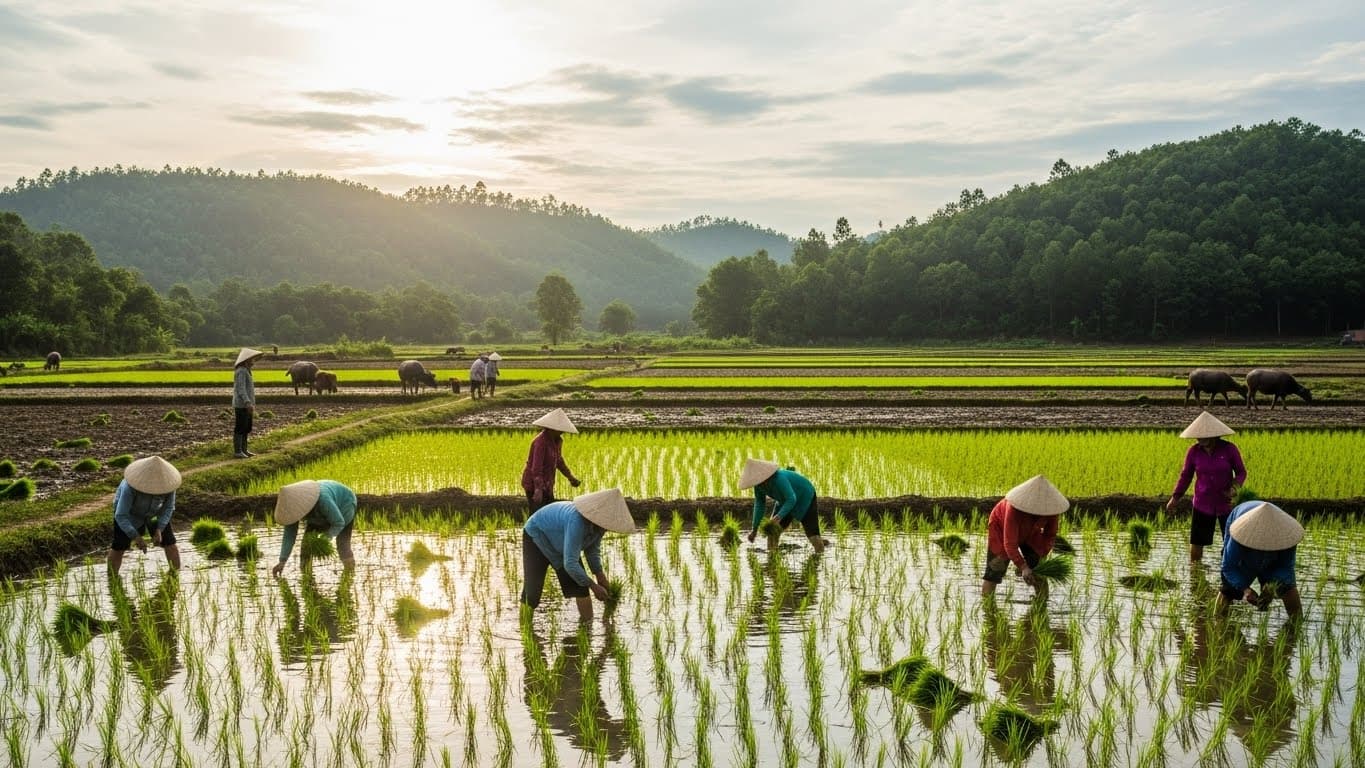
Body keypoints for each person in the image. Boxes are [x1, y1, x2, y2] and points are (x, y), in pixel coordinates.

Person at [521, 488, 634, 620]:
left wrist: (599, 575)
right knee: (532, 591)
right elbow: (570, 563)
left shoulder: (599, 526)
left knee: (580, 588)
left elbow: (592, 550)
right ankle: (525, 632)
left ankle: (587, 629)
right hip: (536, 536)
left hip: (560, 544)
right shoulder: (577, 520)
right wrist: (593, 586)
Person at [1167, 411, 1247, 563]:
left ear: (1214, 435)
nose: (1200, 439)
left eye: (1204, 435)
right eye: (1198, 435)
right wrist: (1175, 497)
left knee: (1230, 540)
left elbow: (1241, 472)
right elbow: (1186, 476)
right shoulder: (1194, 452)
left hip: (1226, 503)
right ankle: (1195, 573)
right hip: (1202, 503)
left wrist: (1235, 488)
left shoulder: (1229, 449)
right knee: (1197, 542)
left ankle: (1228, 573)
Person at [981, 475, 1068, 596]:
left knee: (1039, 571)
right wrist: (1023, 566)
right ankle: (988, 608)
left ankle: (1041, 603)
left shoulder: (1051, 510)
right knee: (995, 569)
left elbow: (1050, 535)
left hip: (1031, 531)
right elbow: (1010, 544)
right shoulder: (1014, 509)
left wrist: (1038, 559)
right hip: (1000, 529)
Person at [1218, 500, 1303, 617]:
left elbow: (1286, 568)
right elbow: (1228, 567)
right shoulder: (1240, 534)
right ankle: (1218, 621)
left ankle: (1296, 624)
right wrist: (1245, 589)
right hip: (1242, 521)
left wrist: (1271, 587)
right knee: (1229, 589)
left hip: (1273, 528)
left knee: (1287, 588)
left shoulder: (1286, 536)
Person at [107, 455, 183, 575]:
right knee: (119, 545)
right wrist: (136, 537)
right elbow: (121, 515)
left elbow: (168, 508)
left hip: (153, 515)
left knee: (169, 542)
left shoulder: (168, 486)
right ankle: (112, 578)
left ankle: (175, 575)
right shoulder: (129, 487)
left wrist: (159, 529)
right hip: (130, 516)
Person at [738, 458, 826, 553]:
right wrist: (754, 529)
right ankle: (772, 559)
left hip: (804, 496)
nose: (760, 484)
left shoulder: (779, 478)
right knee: (772, 533)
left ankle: (819, 555)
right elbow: (759, 504)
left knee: (813, 536)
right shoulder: (758, 486)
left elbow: (792, 499)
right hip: (785, 501)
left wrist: (778, 517)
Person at [271, 479, 357, 575]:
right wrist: (282, 561)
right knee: (307, 546)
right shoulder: (293, 510)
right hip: (319, 513)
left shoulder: (323, 499)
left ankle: (349, 572)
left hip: (345, 504)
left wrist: (324, 538)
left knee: (342, 544)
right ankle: (306, 575)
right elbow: (289, 536)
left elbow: (338, 522)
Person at [522, 408, 582, 513]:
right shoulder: (540, 442)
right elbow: (536, 468)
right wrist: (538, 489)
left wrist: (570, 477)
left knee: (548, 513)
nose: (562, 432)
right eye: (560, 429)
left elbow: (559, 461)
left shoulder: (558, 441)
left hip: (548, 483)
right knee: (537, 515)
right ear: (551, 428)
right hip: (534, 485)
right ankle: (529, 529)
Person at [232, 347, 265, 458]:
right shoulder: (241, 371)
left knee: (246, 427)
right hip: (241, 405)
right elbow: (241, 389)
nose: (254, 361)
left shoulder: (246, 370)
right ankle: (238, 451)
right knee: (240, 427)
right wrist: (247, 402)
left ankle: (244, 450)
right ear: (247, 360)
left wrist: (250, 403)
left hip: (247, 404)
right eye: (252, 359)